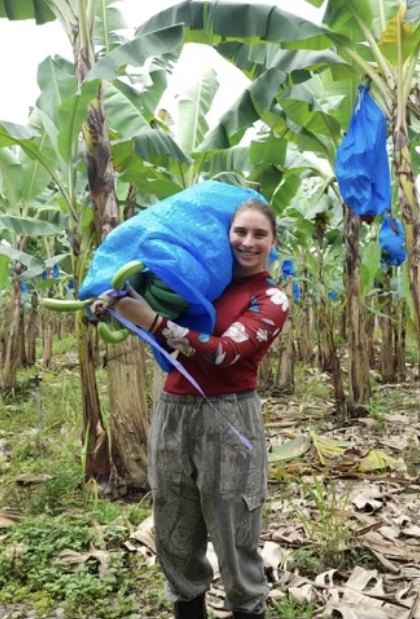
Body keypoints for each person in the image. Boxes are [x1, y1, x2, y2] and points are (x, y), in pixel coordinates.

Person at [112, 198, 289, 619]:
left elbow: (227, 352)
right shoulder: (203, 282)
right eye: (240, 232)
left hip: (228, 415)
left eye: (259, 234)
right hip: (173, 410)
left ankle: (246, 606)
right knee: (173, 524)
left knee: (234, 530)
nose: (247, 242)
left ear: (273, 242)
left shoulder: (271, 298)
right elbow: (148, 308)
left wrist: (154, 321)